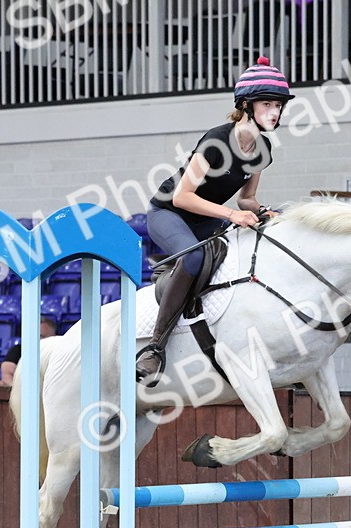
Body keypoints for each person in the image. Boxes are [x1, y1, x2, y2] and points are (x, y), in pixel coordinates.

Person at [135, 56, 291, 384]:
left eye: (278, 105)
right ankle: (155, 348)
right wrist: (233, 214)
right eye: (267, 104)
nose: (275, 112)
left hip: (206, 221)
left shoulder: (263, 150)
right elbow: (183, 197)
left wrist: (263, 212)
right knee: (192, 255)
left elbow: (246, 197)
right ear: (246, 106)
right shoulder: (216, 141)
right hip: (169, 214)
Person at [0, 316, 58, 386]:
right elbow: (7, 375)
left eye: (41, 337)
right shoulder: (18, 350)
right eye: (33, 336)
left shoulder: (58, 354)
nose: (36, 340)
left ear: (54, 336)